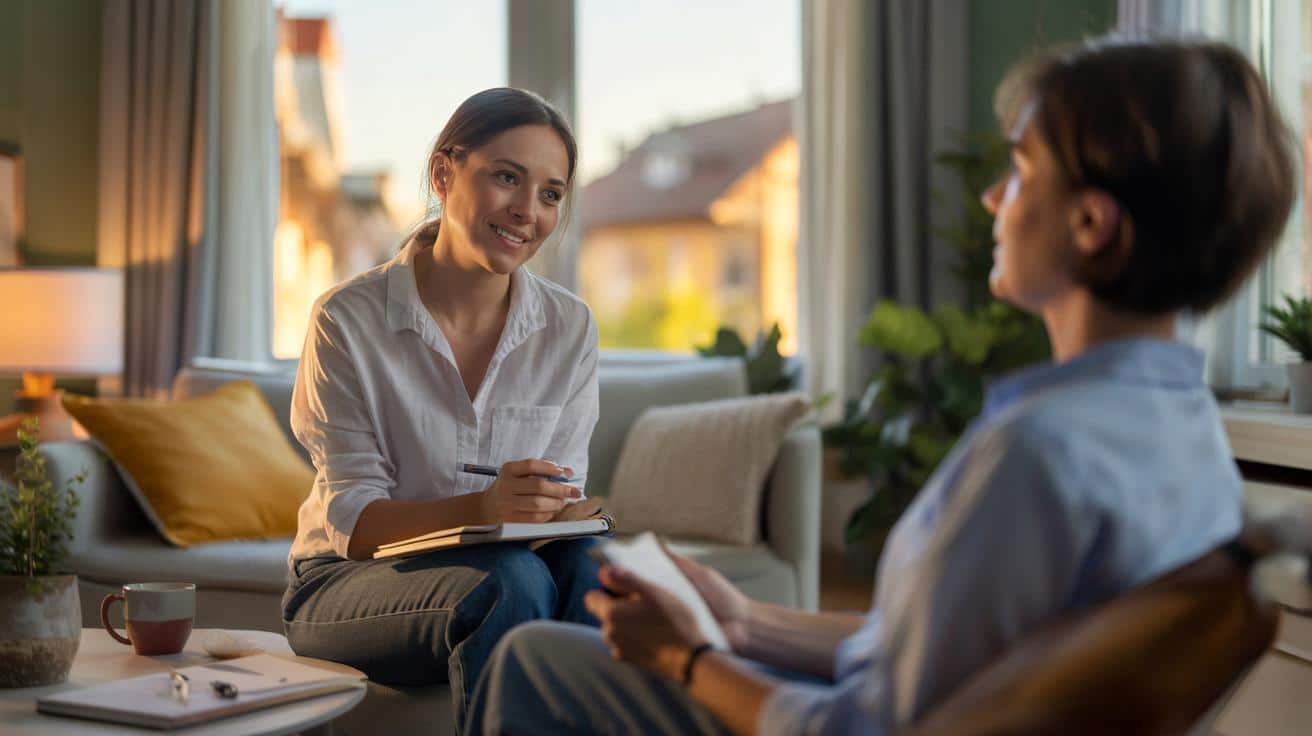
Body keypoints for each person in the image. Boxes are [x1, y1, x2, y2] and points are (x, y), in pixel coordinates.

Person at [466, 36, 1297, 735]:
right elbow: (935, 658)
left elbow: (862, 726)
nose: (992, 197)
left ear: (1089, 222)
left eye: (1019, 169)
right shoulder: (1187, 432)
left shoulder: (1040, 454)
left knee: (538, 659)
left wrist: (690, 657)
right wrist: (743, 621)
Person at [281, 87, 602, 729]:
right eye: (506, 177)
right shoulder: (348, 320)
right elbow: (355, 525)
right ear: (443, 173)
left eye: (550, 194)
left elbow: (557, 504)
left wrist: (561, 513)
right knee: (509, 582)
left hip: (503, 569)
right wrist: (483, 509)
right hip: (345, 581)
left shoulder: (569, 327)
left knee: (594, 571)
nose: (527, 211)